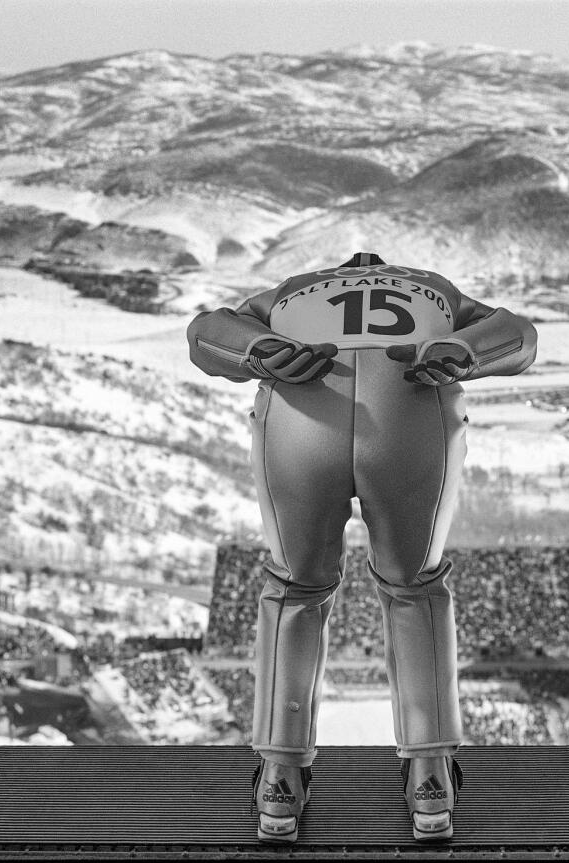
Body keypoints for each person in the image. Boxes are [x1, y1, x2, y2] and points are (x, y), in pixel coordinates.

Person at [187, 252, 537, 843]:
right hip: (411, 414)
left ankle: (280, 776)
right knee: (416, 589)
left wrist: (255, 352)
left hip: (299, 418)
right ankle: (430, 777)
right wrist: (463, 355)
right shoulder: (433, 289)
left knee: (295, 588)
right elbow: (519, 336)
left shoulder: (295, 290)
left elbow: (205, 334)